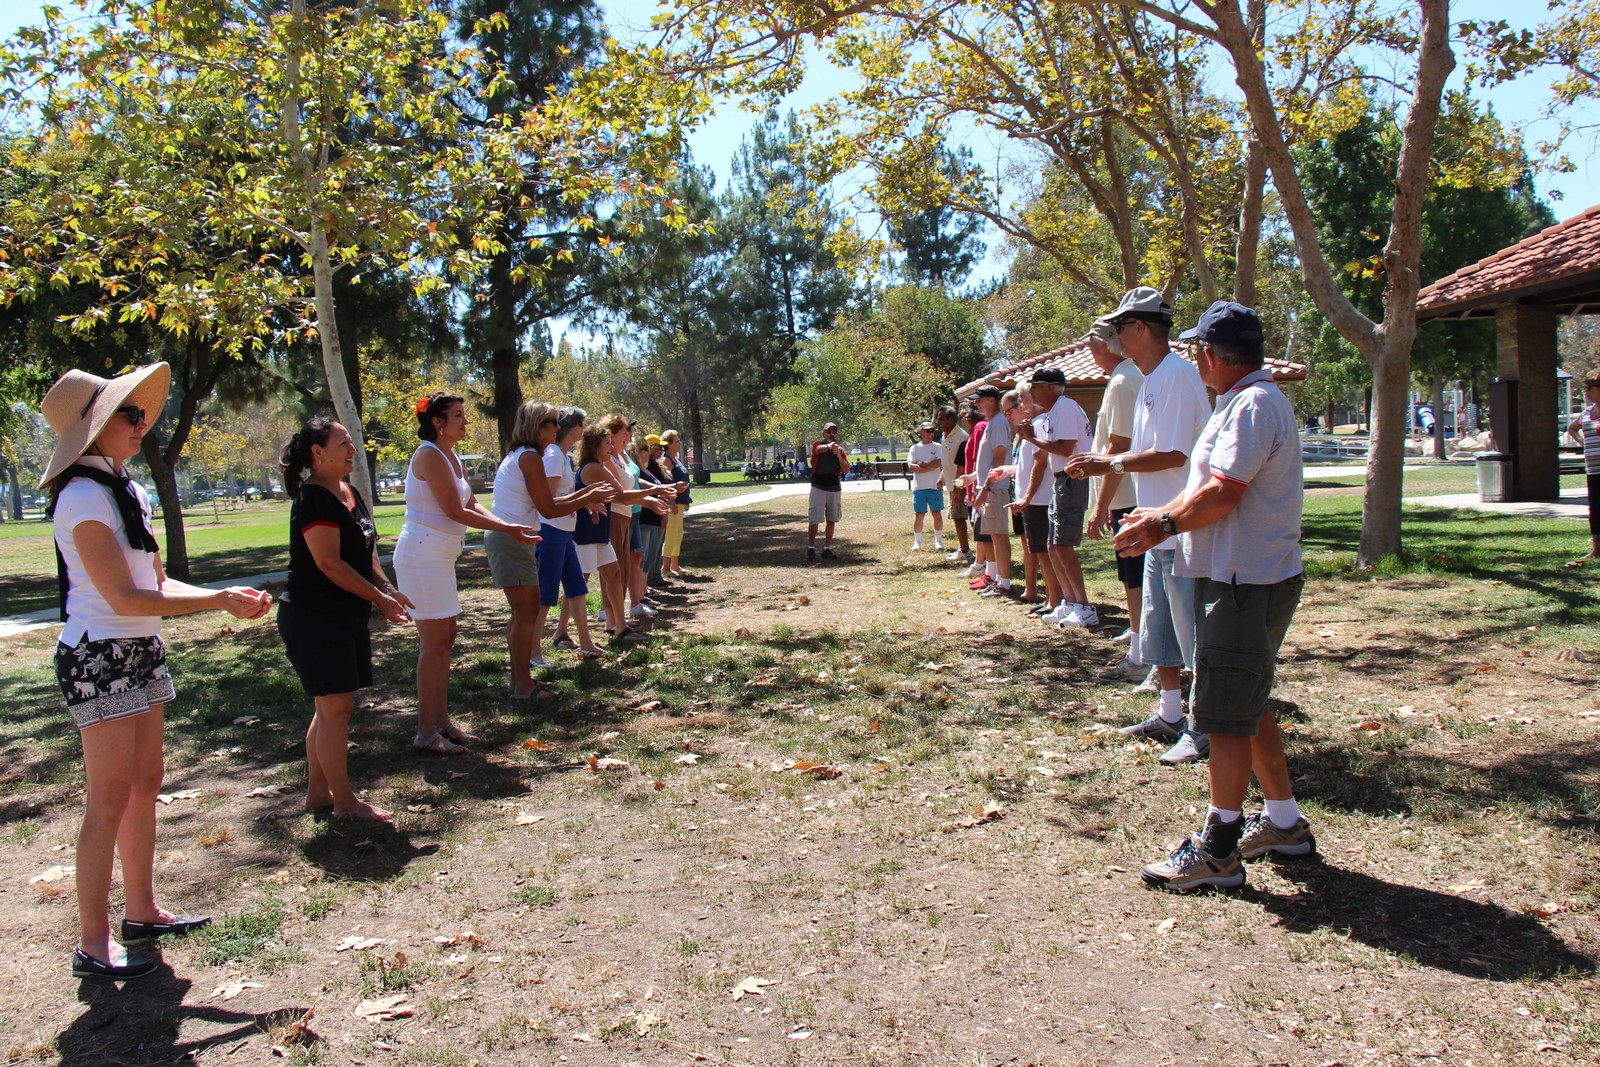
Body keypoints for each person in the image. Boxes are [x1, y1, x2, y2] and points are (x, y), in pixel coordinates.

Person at [41, 363, 271, 980]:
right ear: (93, 427)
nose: (142, 421)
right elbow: (122, 598)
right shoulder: (83, 496)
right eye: (129, 413)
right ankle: (93, 943)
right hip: (99, 654)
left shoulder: (128, 489)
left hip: (139, 648)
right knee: (109, 798)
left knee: (146, 783)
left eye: (142, 412)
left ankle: (141, 912)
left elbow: (158, 582)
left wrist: (226, 595)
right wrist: (217, 601)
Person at [1112, 301, 1311, 891]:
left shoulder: (1252, 406)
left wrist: (1165, 524)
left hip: (1245, 583)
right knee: (1247, 702)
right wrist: (1162, 512)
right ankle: (1284, 824)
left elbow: (1224, 492)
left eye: (1197, 350)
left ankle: (1219, 850)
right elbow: (1207, 486)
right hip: (1245, 579)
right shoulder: (1243, 401)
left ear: (1209, 355)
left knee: (1223, 717)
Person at [1068, 288, 1211, 765]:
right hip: (1155, 524)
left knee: (1192, 635)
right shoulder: (1150, 378)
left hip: (1181, 526)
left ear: (1141, 328)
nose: (1114, 337)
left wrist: (1108, 463)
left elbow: (1173, 454)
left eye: (1120, 328)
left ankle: (1204, 727)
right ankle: (1170, 714)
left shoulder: (1175, 376)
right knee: (1159, 628)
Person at [278, 418, 411, 824]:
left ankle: (319, 794)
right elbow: (330, 564)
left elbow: (365, 552)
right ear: (317, 453)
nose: (353, 450)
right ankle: (345, 802)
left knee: (330, 708)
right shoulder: (314, 497)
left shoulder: (349, 492)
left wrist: (386, 589)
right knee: (335, 708)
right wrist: (378, 599)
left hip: (342, 616)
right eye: (344, 444)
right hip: (314, 617)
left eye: (352, 443)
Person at [394, 392, 539, 754]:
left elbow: (471, 502)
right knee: (433, 644)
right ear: (438, 422)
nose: (465, 421)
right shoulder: (429, 454)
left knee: (446, 638)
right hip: (421, 556)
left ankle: (442, 723)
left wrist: (505, 524)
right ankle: (425, 732)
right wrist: (506, 529)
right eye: (458, 415)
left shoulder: (452, 456)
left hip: (440, 557)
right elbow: (455, 511)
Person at [488, 402, 613, 694]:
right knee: (526, 612)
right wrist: (586, 497)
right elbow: (548, 508)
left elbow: (548, 502)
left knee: (524, 612)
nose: (557, 428)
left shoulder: (525, 454)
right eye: (552, 422)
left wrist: (585, 496)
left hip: (516, 536)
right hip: (513, 538)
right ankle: (522, 684)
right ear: (536, 425)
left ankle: (521, 680)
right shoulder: (531, 456)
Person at [1083, 321, 1148, 678]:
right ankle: (1138, 636)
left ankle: (1140, 654)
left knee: (1135, 577)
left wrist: (1100, 506)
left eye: (1091, 345)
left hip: (1128, 497)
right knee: (1129, 575)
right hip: (1124, 496)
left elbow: (1118, 448)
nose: (1090, 353)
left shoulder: (1124, 382)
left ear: (1102, 346)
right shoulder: (1122, 380)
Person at [1011, 367, 1095, 627]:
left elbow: (1065, 447)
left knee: (1063, 545)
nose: (1032, 391)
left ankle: (1083, 606)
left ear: (1049, 387)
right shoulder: (1054, 412)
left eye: (1035, 386)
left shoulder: (1065, 407)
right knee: (1053, 545)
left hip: (1072, 478)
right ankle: (1068, 602)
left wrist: (1031, 438)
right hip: (1062, 480)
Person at [537, 407, 610, 660]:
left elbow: (563, 495)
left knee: (577, 588)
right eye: (581, 424)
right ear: (572, 428)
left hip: (564, 531)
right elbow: (547, 500)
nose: (583, 429)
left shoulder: (561, 456)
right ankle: (533, 651)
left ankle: (586, 644)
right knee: (547, 593)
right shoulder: (553, 456)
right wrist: (586, 498)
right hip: (551, 531)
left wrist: (586, 502)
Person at [968, 385, 1015, 596]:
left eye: (980, 400)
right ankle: (997, 579)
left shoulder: (998, 423)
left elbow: (999, 456)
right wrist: (974, 478)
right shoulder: (992, 423)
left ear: (992, 400)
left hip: (995, 489)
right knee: (994, 535)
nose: (977, 404)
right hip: (990, 488)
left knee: (999, 536)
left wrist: (986, 487)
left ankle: (1004, 584)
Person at [1565, 371, 1600, 562]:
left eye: (1590, 388)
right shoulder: (1587, 413)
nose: (1586, 391)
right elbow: (1572, 428)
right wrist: (1582, 442)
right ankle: (1597, 548)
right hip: (1593, 469)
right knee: (1595, 509)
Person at [936, 406, 972, 561]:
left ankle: (970, 551)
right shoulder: (945, 436)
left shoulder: (961, 437)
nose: (939, 423)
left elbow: (962, 465)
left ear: (951, 419)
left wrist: (959, 487)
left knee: (967, 518)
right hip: (953, 485)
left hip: (961, 485)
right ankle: (964, 549)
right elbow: (949, 462)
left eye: (942, 419)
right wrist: (941, 477)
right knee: (957, 517)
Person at [807, 422, 848, 560]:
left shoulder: (841, 450)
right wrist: (829, 447)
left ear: (837, 434)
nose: (831, 434)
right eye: (828, 432)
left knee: (832, 519)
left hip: (834, 487)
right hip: (818, 486)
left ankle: (827, 548)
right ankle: (811, 548)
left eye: (834, 432)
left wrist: (838, 455)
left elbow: (846, 469)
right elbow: (818, 450)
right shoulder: (818, 444)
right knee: (814, 519)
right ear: (824, 434)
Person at [906, 422, 946, 552]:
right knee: (919, 514)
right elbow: (911, 466)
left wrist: (921, 464)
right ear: (921, 432)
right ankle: (917, 542)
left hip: (934, 486)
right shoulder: (915, 448)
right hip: (919, 487)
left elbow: (938, 463)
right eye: (928, 430)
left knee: (936, 512)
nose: (931, 433)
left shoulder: (938, 446)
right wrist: (929, 467)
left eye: (933, 430)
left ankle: (938, 541)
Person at [659, 429, 693, 577]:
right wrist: (671, 502)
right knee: (671, 534)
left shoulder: (677, 459)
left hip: (681, 503)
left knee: (678, 534)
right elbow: (664, 482)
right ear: (669, 444)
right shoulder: (666, 460)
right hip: (672, 504)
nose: (680, 442)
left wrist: (686, 500)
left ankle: (675, 565)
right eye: (677, 440)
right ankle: (665, 568)